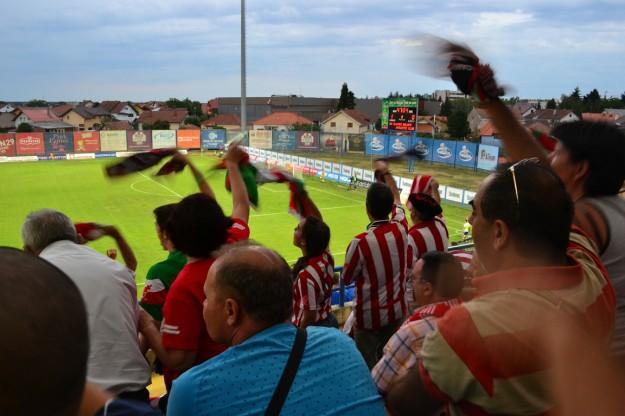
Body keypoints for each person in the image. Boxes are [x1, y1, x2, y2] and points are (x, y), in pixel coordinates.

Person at [385, 160, 615, 415]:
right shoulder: (593, 271)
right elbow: (552, 211)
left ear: (499, 233)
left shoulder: (470, 328)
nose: (469, 220)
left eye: (475, 212)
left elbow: (401, 405)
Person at [442, 40, 625, 356]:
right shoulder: (614, 209)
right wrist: (491, 103)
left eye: (559, 155)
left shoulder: (584, 218)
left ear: (579, 169)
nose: (549, 161)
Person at [166, 244, 386, 416]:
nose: (204, 305)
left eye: (207, 297)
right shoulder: (339, 343)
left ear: (231, 311)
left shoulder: (193, 391)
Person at [139, 145, 251, 405]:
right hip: (235, 379)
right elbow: (240, 204)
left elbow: (179, 359)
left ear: (173, 238)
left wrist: (145, 324)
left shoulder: (183, 287)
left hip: (197, 396)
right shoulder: (233, 244)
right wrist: (232, 165)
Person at [21, 210, 152, 401]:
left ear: (28, 250)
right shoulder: (117, 270)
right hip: (134, 395)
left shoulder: (30, 279)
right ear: (76, 236)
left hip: (73, 401)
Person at [342, 160, 412, 368]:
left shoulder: (360, 242)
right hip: (397, 313)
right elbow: (398, 202)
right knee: (392, 364)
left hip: (369, 321)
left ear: (367, 208)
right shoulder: (401, 227)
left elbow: (347, 278)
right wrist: (386, 174)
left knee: (367, 367)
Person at [371, 251, 464, 396]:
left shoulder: (411, 333)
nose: (411, 284)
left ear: (427, 288)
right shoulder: (471, 317)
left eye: (413, 279)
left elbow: (377, 384)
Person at [139, 203, 187, 324]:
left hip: (175, 340)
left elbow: (151, 324)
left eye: (157, 226)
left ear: (165, 233)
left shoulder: (158, 273)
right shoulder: (208, 258)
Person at [292, 215, 338, 328]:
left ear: (303, 242)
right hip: (328, 318)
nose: (294, 229)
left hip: (314, 329)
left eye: (298, 228)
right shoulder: (327, 257)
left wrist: (299, 338)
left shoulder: (306, 276)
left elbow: (309, 317)